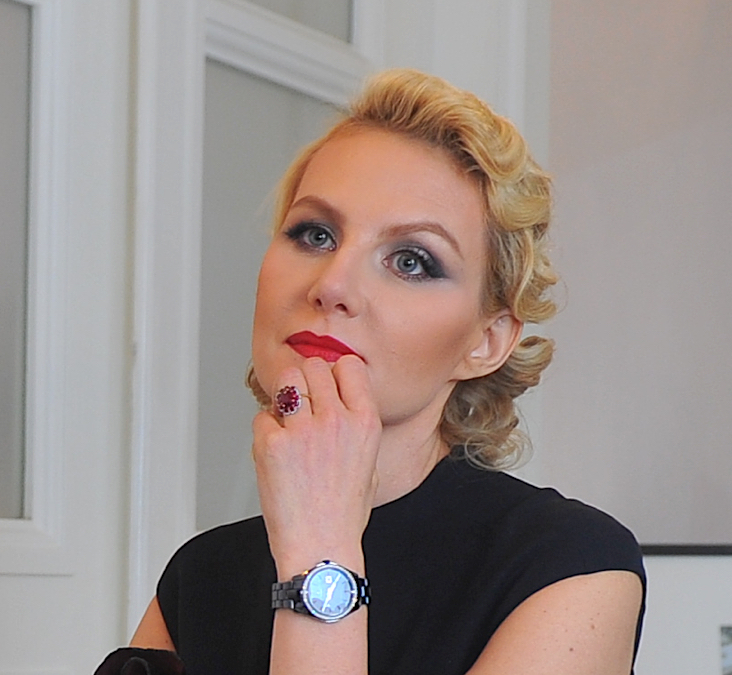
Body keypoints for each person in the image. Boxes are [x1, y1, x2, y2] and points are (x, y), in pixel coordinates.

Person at [97, 69, 645, 675]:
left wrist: (320, 555)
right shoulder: (201, 575)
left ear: (485, 341)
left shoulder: (570, 565)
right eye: (315, 234)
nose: (332, 284)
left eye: (411, 261)